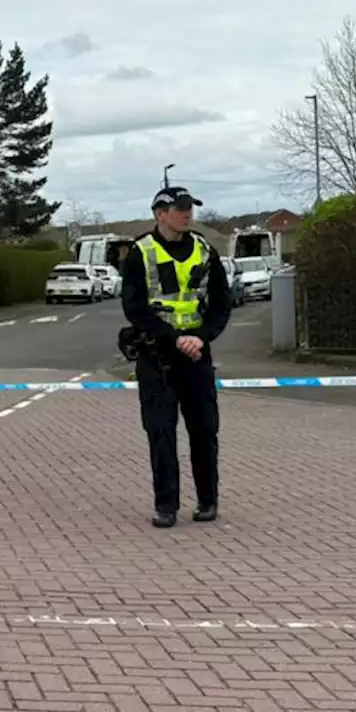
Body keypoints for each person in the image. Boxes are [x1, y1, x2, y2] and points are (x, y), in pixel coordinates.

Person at [119, 186, 232, 528]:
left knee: (204, 430)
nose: (188, 213)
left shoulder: (204, 250)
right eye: (180, 208)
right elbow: (135, 307)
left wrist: (200, 337)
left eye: (190, 207)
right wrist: (173, 338)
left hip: (196, 354)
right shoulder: (141, 252)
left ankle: (207, 501)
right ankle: (166, 506)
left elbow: (221, 303)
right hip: (157, 356)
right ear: (160, 214)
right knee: (161, 431)